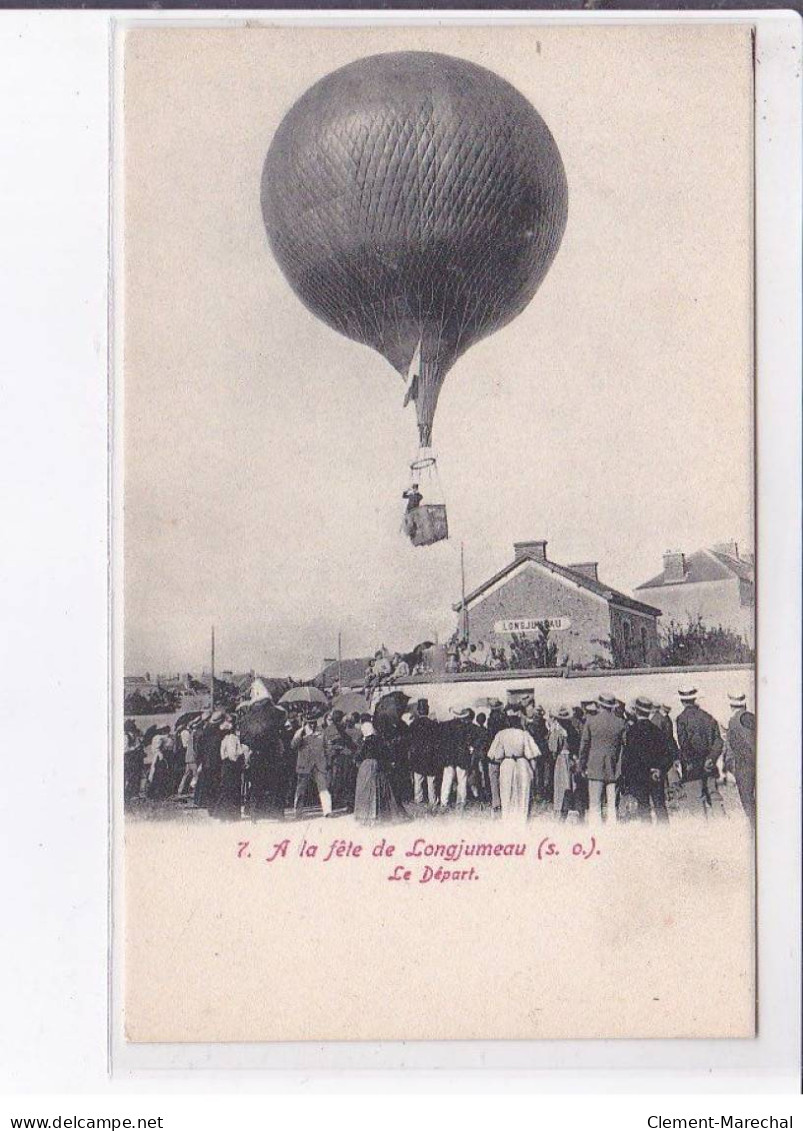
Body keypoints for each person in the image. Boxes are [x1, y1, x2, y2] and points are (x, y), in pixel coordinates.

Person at [620, 697, 674, 822]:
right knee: (660, 806)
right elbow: (668, 754)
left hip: (639, 775)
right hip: (656, 775)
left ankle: (648, 836)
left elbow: (629, 757)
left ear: (636, 711)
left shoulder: (632, 732)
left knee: (643, 808)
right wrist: (660, 769)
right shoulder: (657, 731)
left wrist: (627, 777)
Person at [676, 688, 725, 818]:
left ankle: (702, 834)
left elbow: (684, 744)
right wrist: (711, 759)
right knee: (714, 798)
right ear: (694, 699)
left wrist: (692, 762)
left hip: (693, 768)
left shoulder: (681, 719)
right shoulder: (708, 717)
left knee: (696, 803)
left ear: (682, 700)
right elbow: (719, 741)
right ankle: (725, 828)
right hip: (709, 767)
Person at [578, 693, 625, 823]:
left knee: (594, 804)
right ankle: (612, 831)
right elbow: (623, 747)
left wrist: (581, 766)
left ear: (599, 705)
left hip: (594, 767)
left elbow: (584, 747)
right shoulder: (620, 723)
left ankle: (596, 833)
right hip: (613, 767)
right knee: (612, 805)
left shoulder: (591, 721)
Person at [353, 718, 410, 824]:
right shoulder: (379, 740)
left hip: (366, 767)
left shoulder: (365, 742)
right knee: (380, 789)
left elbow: (359, 756)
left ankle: (368, 815)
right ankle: (380, 814)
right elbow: (387, 753)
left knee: (366, 790)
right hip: (379, 766)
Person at [486, 713, 539, 821]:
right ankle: (522, 819)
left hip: (507, 764)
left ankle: (508, 819)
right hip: (523, 763)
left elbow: (495, 755)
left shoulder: (501, 734)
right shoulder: (524, 734)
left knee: (506, 792)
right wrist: (533, 772)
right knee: (523, 792)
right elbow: (532, 755)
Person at [723, 692, 756, 824]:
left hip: (744, 767)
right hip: (756, 765)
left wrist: (732, 767)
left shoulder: (733, 721)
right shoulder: (753, 718)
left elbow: (734, 746)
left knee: (748, 803)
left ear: (731, 706)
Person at [291, 715, 333, 817]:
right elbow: (293, 746)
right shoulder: (301, 732)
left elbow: (327, 747)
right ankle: (298, 811)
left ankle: (327, 811)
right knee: (301, 789)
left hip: (319, 764)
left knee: (323, 788)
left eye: (314, 722)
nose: (313, 725)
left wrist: (328, 761)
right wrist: (299, 735)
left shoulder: (321, 731)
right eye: (310, 723)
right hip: (305, 764)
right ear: (306, 722)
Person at [407, 699, 440, 809]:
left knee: (418, 780)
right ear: (427, 710)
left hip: (417, 756)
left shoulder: (413, 725)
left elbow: (410, 741)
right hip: (431, 755)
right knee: (431, 781)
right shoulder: (434, 725)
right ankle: (433, 801)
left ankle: (418, 800)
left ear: (418, 711)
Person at [440, 708, 474, 812]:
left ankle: (444, 803)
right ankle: (461, 803)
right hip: (462, 757)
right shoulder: (467, 727)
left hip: (449, 757)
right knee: (462, 781)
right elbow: (469, 743)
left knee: (447, 780)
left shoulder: (445, 726)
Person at [550, 707, 581, 820]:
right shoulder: (573, 730)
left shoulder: (558, 731)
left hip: (562, 758)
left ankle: (561, 810)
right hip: (571, 759)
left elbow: (553, 748)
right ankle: (570, 809)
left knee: (561, 785)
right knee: (570, 784)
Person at [323, 709, 358, 811]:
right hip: (340, 758)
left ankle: (335, 803)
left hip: (336, 758)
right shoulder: (338, 730)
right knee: (344, 781)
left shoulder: (329, 729)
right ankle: (345, 803)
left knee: (337, 781)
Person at [213, 716, 245, 821]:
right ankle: (231, 815)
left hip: (226, 765)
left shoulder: (225, 739)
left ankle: (223, 814)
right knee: (232, 789)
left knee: (226, 789)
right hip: (232, 766)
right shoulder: (233, 738)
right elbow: (233, 755)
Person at [194, 710, 225, 811]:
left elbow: (199, 748)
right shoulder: (219, 732)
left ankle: (207, 802)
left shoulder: (204, 731)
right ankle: (213, 803)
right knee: (215, 782)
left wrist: (200, 760)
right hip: (216, 760)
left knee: (207, 781)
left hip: (206, 761)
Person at [146, 730, 174, 800]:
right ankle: (157, 794)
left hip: (159, 757)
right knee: (160, 775)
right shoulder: (161, 738)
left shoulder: (158, 737)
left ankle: (154, 793)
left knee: (157, 775)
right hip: (161, 757)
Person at [124, 720, 144, 805]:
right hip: (129, 758)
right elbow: (125, 749)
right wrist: (135, 748)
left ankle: (135, 793)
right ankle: (128, 794)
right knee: (130, 775)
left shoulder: (135, 736)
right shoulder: (125, 737)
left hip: (136, 758)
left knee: (137, 775)